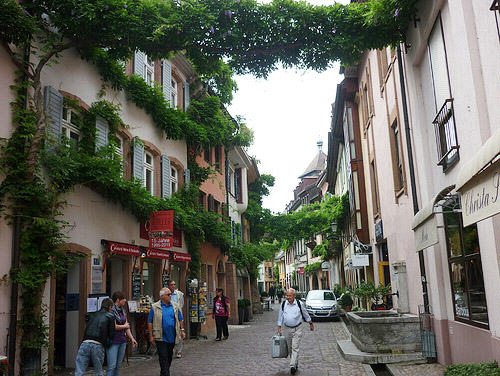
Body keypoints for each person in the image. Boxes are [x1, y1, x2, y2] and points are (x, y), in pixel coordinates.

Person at [148, 288, 185, 376]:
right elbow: (150, 321)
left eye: (170, 294)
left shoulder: (175, 306)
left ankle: (163, 372)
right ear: (162, 296)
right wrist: (151, 335)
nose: (170, 296)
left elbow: (180, 319)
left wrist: (182, 330)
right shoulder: (155, 307)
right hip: (160, 336)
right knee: (163, 356)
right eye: (168, 294)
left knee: (169, 356)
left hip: (172, 336)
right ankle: (166, 373)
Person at [276, 288, 314, 375]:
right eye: (287, 295)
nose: (287, 297)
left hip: (297, 328)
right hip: (287, 329)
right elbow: (281, 316)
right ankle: (295, 363)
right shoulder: (284, 304)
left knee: (295, 347)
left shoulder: (299, 304)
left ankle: (292, 365)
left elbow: (305, 314)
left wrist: (310, 323)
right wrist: (279, 326)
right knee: (290, 348)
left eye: (289, 296)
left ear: (294, 296)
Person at [75, 298, 115, 376]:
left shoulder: (91, 314)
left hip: (85, 343)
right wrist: (107, 344)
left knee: (79, 370)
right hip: (98, 344)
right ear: (110, 307)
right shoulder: (110, 316)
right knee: (98, 371)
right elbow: (111, 334)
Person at [106, 292, 138, 376]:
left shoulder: (122, 311)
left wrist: (132, 338)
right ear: (118, 300)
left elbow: (127, 326)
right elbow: (114, 326)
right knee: (111, 365)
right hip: (113, 341)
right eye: (123, 298)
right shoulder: (111, 310)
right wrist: (124, 326)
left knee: (118, 365)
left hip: (122, 341)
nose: (125, 300)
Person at [167, 280, 185, 358]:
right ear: (168, 286)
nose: (173, 286)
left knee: (179, 332)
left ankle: (179, 351)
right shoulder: (166, 293)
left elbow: (182, 304)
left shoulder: (179, 294)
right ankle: (171, 350)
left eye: (174, 284)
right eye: (171, 285)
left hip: (177, 314)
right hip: (169, 315)